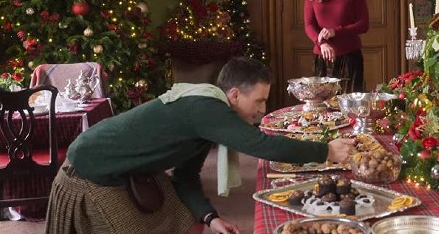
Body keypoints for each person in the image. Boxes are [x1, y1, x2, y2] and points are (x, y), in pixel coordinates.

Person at [45, 57, 356, 234]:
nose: (262, 110)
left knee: (186, 217)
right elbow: (261, 145)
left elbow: (185, 176)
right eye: (259, 101)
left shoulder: (209, 113)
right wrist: (325, 150)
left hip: (128, 169)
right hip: (90, 170)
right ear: (234, 95)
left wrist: (211, 217)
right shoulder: (206, 108)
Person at [304, 0, 369, 92]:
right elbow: (309, 25)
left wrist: (335, 31)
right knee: (323, 106)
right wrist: (322, 43)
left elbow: (364, 25)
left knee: (349, 106)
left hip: (350, 57)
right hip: (323, 57)